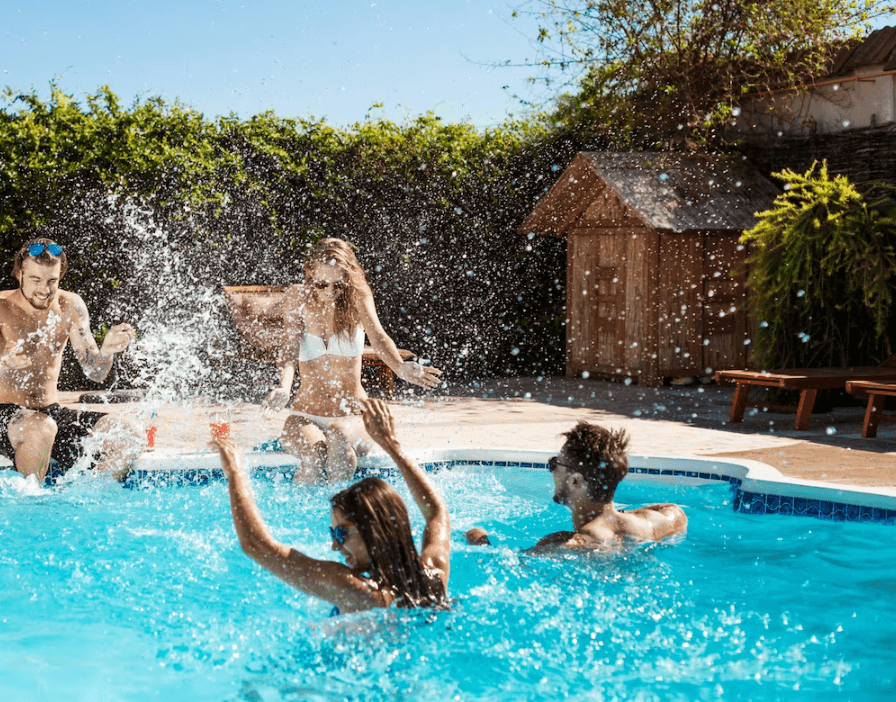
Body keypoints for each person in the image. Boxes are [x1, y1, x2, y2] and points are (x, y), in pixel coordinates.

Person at [212, 398, 450, 614]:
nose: (335, 545)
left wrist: (235, 472)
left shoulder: (359, 591)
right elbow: (437, 513)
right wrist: (391, 444)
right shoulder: (434, 574)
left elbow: (257, 545)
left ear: (375, 530)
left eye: (340, 532)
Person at [264, 238, 441, 484]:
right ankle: (300, 518)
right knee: (315, 453)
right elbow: (289, 351)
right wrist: (284, 386)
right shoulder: (297, 297)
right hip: (306, 413)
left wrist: (399, 366)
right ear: (310, 273)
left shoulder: (358, 295)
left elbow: (378, 337)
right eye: (322, 284)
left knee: (337, 436)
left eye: (339, 285)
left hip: (353, 415)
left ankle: (342, 511)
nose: (330, 292)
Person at [0, 238, 137, 480]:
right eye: (35, 280)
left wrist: (107, 351)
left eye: (52, 281)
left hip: (51, 413)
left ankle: (92, 499)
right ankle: (32, 509)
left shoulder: (70, 305)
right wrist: (3, 362)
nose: (44, 290)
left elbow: (95, 372)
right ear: (20, 274)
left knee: (129, 434)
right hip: (2, 416)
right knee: (41, 428)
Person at [466, 420, 688, 551]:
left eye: (555, 464)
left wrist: (477, 537)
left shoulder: (566, 543)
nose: (552, 471)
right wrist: (615, 516)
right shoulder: (651, 524)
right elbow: (676, 512)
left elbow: (507, 566)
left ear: (575, 481)